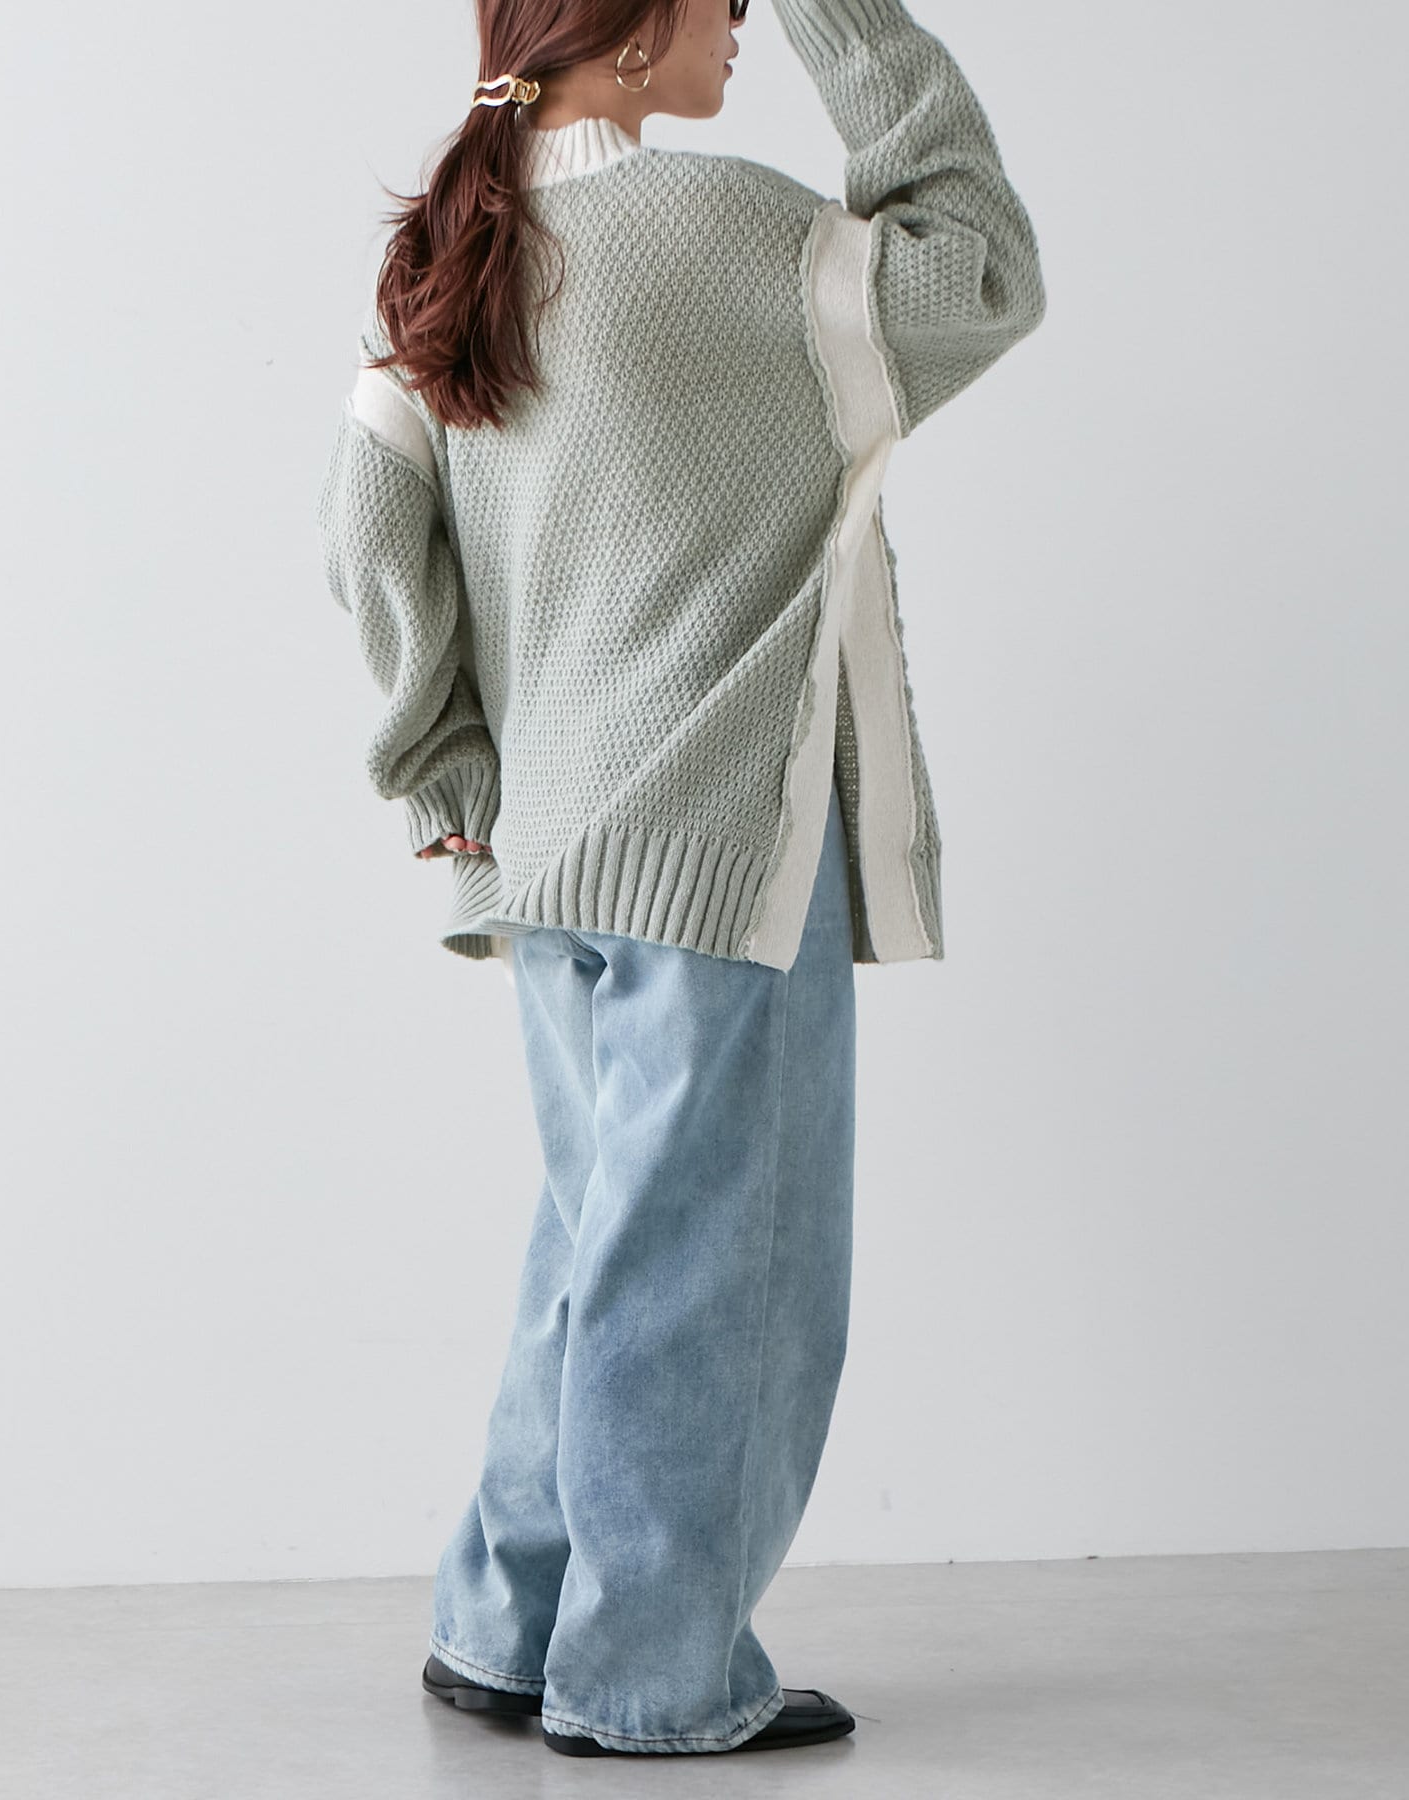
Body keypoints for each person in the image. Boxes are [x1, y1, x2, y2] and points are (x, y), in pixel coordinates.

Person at [315, 0, 1045, 1758]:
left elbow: (365, 519)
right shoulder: (734, 235)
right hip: (719, 843)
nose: (738, 27)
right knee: (723, 1270)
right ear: (634, 37)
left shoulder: (465, 255)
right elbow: (983, 267)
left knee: (601, 1235)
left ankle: (507, 1626)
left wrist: (445, 766)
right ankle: (650, 1675)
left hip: (548, 849)